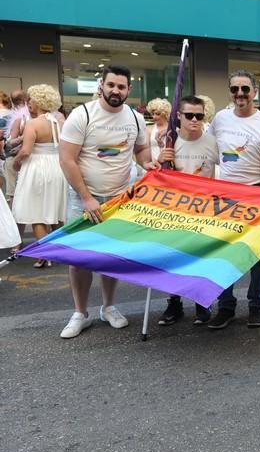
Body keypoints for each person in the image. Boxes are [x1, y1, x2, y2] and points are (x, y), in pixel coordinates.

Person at [58, 65, 159, 339]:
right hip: (84, 198)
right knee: (78, 258)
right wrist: (87, 198)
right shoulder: (83, 115)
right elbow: (67, 159)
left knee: (111, 254)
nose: (116, 90)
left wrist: (148, 163)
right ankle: (80, 313)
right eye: (111, 85)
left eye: (121, 86)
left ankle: (109, 307)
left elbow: (139, 149)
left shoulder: (136, 118)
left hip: (120, 198)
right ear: (101, 85)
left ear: (129, 90)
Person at [206, 70, 260, 330]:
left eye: (245, 89)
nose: (240, 94)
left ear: (254, 92)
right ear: (230, 92)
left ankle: (256, 306)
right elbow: (208, 153)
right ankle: (225, 307)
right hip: (224, 196)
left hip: (256, 194)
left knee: (257, 255)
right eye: (235, 89)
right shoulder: (220, 119)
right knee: (223, 253)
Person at [156, 96, 219, 326]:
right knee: (174, 256)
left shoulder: (213, 142)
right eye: (189, 115)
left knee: (202, 256)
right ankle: (174, 303)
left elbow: (231, 168)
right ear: (178, 116)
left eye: (199, 116)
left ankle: (202, 302)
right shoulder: (168, 141)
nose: (194, 120)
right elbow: (157, 175)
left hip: (205, 209)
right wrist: (160, 159)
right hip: (176, 209)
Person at [11, 84, 68, 268]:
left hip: (37, 168)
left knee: (37, 213)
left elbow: (26, 150)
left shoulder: (33, 123)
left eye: (30, 101)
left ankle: (43, 254)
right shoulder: (60, 122)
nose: (28, 104)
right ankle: (59, 250)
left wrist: (16, 161)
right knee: (55, 212)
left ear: (37, 102)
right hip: (57, 167)